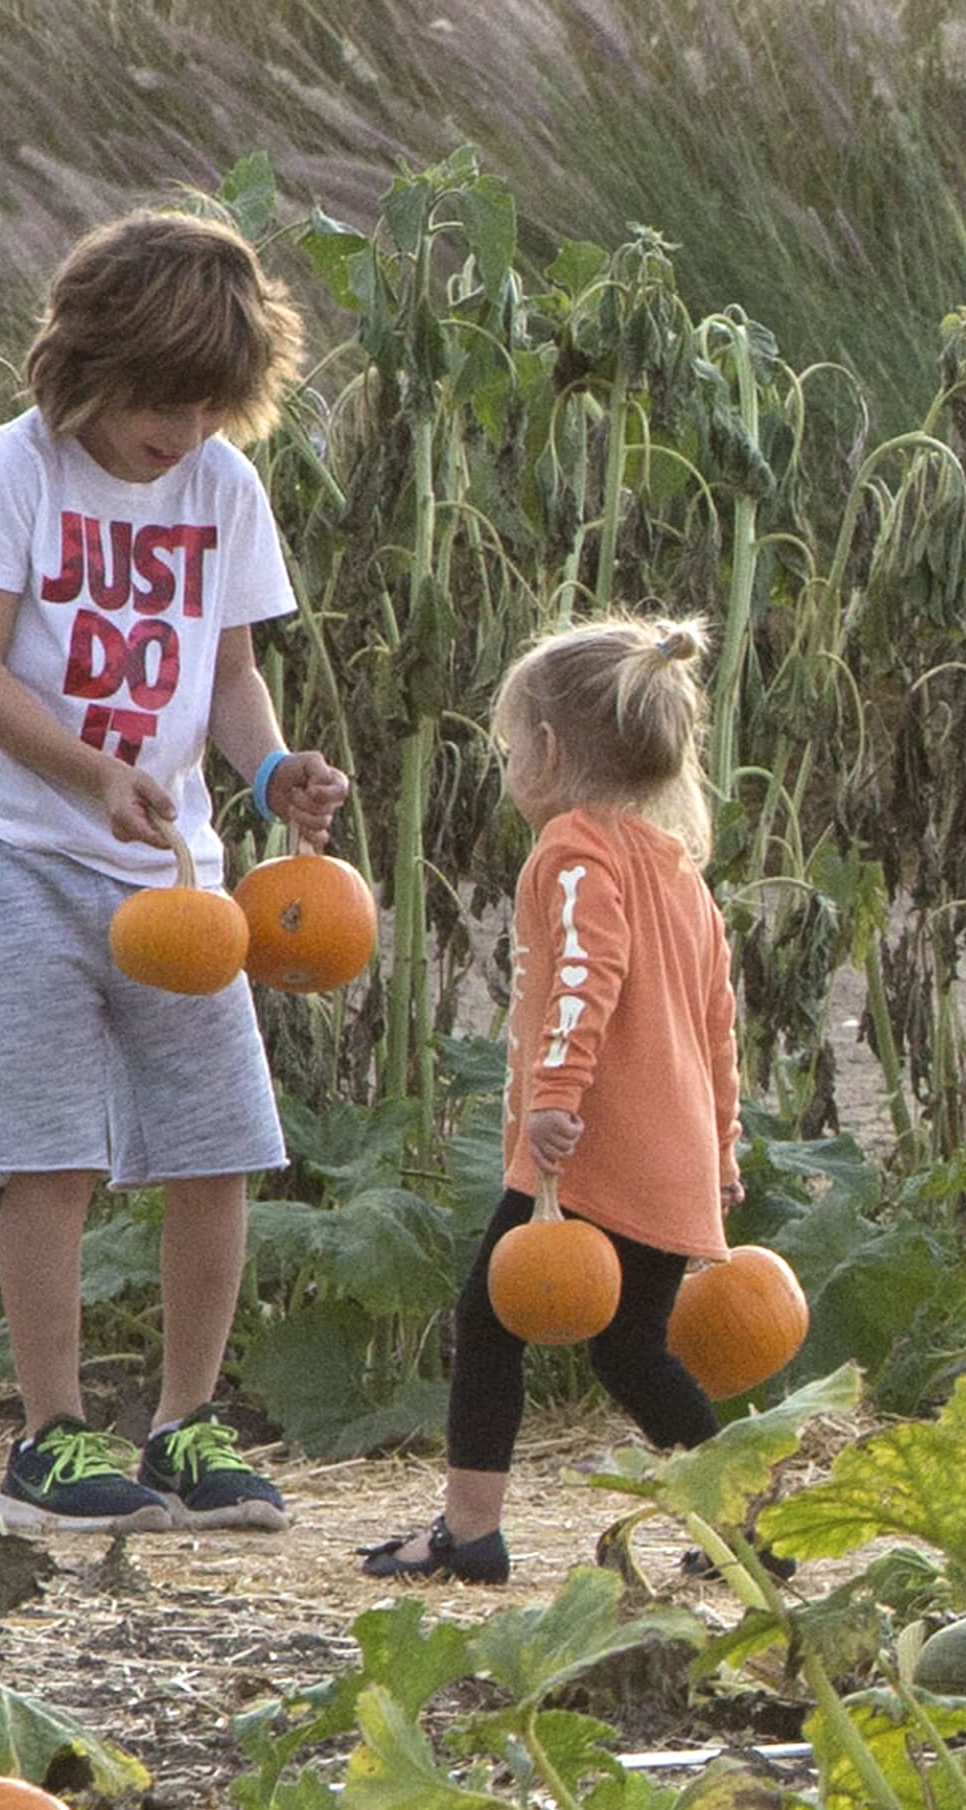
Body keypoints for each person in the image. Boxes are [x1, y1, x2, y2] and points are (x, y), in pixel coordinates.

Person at [0, 206, 349, 1537]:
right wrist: (92, 772)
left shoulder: (222, 486)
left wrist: (274, 776)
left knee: (217, 1142)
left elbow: (227, 678)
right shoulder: (17, 471)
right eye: (166, 401)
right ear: (91, 362)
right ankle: (47, 1434)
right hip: (13, 856)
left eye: (214, 405)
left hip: (179, 879)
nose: (187, 432)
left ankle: (187, 1423)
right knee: (44, 1155)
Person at [361, 614, 743, 1585]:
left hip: (585, 1148)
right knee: (630, 1352)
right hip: (670, 1156)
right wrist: (723, 1149)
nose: (503, 765)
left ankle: (469, 1530)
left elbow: (584, 974)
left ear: (546, 749)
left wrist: (554, 1099)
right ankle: (745, 1527)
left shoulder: (573, 852)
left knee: (487, 1316)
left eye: (504, 746)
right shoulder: (679, 875)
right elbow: (716, 1028)